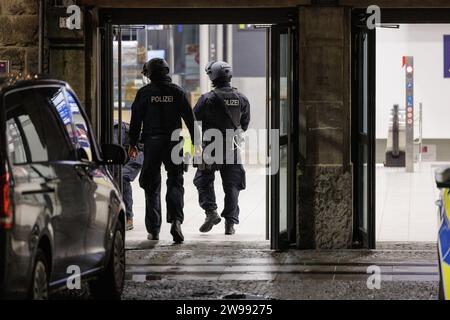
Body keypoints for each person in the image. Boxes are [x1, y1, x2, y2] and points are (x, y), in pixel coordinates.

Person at [128, 58, 199, 243]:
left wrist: (132, 143)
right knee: (175, 181)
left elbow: (135, 121)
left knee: (151, 185)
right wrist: (196, 144)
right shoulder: (177, 92)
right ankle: (176, 220)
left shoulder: (144, 93)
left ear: (149, 73)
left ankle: (154, 230)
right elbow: (190, 120)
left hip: (152, 143)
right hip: (174, 142)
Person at [193, 61, 250, 235]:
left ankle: (211, 212)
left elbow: (193, 121)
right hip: (232, 148)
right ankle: (230, 224)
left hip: (210, 148)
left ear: (212, 77)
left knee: (203, 180)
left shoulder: (207, 99)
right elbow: (245, 124)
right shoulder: (242, 98)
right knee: (232, 186)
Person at [113, 122, 143, 231]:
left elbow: (115, 150)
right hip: (124, 153)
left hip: (137, 152)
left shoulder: (114, 129)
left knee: (123, 178)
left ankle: (128, 218)